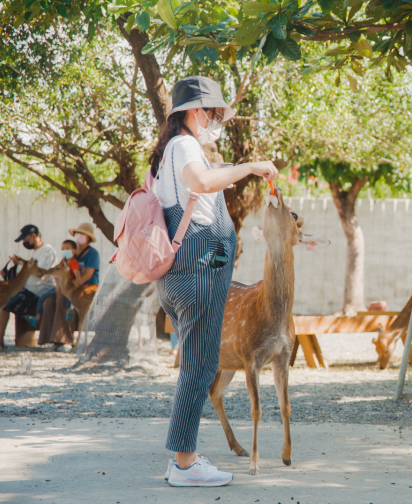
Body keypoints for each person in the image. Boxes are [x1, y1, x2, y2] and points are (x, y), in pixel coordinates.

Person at [153, 76, 277, 487]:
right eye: (214, 112)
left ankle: (182, 459)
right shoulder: (185, 145)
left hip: (183, 273)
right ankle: (184, 464)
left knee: (197, 365)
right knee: (200, 367)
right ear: (194, 110)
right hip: (198, 270)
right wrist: (253, 166)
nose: (217, 120)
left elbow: (205, 181)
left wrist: (234, 170)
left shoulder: (170, 151)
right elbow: (202, 184)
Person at [0, 225, 58, 350]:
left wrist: (21, 263)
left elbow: (41, 272)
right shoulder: (36, 252)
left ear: (34, 236)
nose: (24, 242)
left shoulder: (47, 251)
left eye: (26, 239)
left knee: (3, 303)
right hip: (28, 290)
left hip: (38, 291)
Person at [49, 223, 100, 352]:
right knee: (50, 300)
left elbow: (87, 275)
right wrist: (59, 285)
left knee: (65, 301)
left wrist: (76, 282)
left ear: (88, 238)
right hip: (71, 288)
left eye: (83, 235)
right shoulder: (70, 254)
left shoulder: (93, 254)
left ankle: (68, 341)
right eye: (77, 234)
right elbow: (61, 270)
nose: (79, 237)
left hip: (86, 288)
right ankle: (55, 339)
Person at [37, 240, 80, 346]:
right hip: (61, 288)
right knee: (46, 300)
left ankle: (66, 339)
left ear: (74, 251)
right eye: (63, 249)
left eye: (67, 248)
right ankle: (47, 339)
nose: (64, 251)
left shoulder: (73, 263)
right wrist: (58, 286)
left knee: (63, 302)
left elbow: (78, 278)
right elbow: (57, 275)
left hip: (70, 290)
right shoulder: (63, 262)